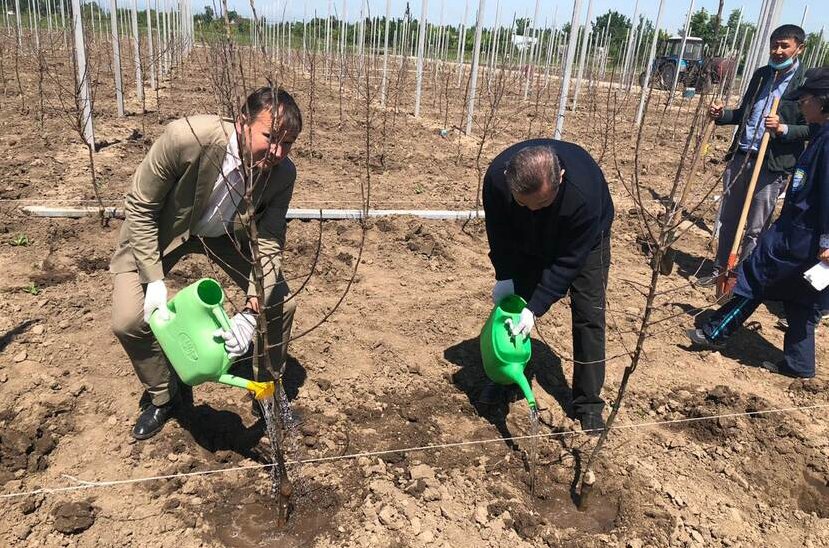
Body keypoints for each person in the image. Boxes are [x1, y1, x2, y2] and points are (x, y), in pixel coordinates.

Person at [110, 86, 302, 440]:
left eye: (288, 144)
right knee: (128, 321)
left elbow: (270, 241)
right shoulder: (187, 138)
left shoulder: (282, 174)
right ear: (243, 122)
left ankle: (265, 389)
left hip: (225, 235)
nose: (278, 152)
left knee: (280, 303)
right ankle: (165, 395)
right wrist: (153, 280)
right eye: (271, 137)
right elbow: (140, 206)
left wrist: (249, 311)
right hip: (165, 230)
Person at [687, 68, 829, 380]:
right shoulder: (821, 135)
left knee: (754, 277)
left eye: (805, 100)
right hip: (804, 233)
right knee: (802, 298)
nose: (802, 106)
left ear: (822, 102)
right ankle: (799, 364)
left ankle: (714, 331)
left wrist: (827, 242)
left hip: (801, 236)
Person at [481, 140, 614, 434]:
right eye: (522, 202)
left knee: (589, 314)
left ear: (560, 179)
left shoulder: (584, 197)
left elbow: (568, 262)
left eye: (540, 204)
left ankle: (588, 404)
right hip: (525, 237)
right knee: (515, 301)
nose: (532, 209)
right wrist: (505, 275)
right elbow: (499, 234)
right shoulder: (496, 181)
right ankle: (504, 375)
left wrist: (536, 307)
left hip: (586, 242)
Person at [699, 25, 809, 286]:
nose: (778, 51)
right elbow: (743, 114)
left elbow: (813, 128)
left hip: (771, 164)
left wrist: (783, 128)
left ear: (799, 48)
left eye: (785, 46)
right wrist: (722, 115)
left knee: (756, 227)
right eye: (775, 45)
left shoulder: (806, 84)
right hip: (743, 156)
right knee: (728, 219)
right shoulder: (761, 76)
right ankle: (719, 272)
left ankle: (742, 277)